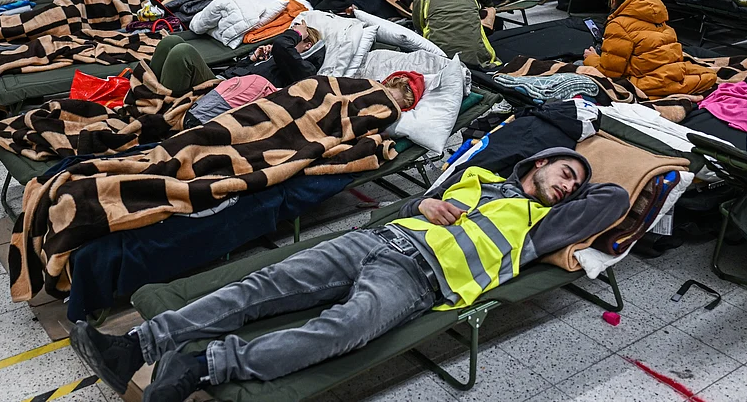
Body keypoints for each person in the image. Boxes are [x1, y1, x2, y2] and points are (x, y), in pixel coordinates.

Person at [71, 142, 623, 396]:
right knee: (258, 287)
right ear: (541, 162)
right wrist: (419, 205)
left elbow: (615, 197)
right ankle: (139, 345)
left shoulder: (541, 227)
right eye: (565, 171)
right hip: (378, 238)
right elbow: (409, 207)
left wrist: (587, 175)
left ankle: (202, 366)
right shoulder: (475, 179)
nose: (569, 183)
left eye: (575, 182)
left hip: (418, 279)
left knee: (347, 329)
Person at [582, 0, 717, 97]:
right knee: (708, 75)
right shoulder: (657, 13)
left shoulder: (619, 25)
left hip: (648, 83)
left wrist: (591, 58)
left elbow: (610, 72)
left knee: (581, 69)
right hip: (674, 73)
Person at [220, 22, 326, 88]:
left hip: (232, 92)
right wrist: (252, 58)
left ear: (307, 45)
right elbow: (233, 70)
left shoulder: (304, 68)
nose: (291, 38)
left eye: (295, 38)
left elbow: (282, 45)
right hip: (223, 81)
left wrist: (297, 34)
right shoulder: (273, 56)